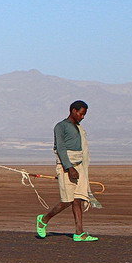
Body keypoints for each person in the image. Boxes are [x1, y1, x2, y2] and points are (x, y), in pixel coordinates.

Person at [36, 100, 98, 241]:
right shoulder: (61, 126)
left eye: (84, 115)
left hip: (79, 166)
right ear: (73, 111)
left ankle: (79, 233)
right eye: (81, 114)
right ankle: (44, 219)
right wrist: (69, 167)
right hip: (66, 167)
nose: (83, 117)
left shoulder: (78, 127)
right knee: (67, 200)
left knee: (78, 199)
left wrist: (79, 168)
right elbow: (61, 148)